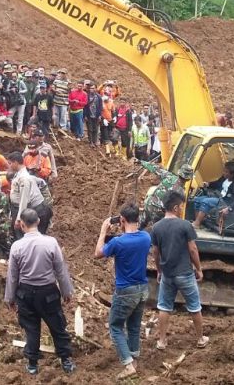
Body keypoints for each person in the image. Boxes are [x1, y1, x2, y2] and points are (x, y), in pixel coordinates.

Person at [4, 209, 76, 376]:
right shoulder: (51, 242)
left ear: (22, 225)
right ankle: (66, 360)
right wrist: (67, 291)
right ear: (37, 222)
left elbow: (12, 276)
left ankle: (32, 364)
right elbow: (61, 270)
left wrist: (10, 297)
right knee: (57, 327)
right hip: (48, 293)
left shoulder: (17, 246)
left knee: (31, 329)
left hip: (25, 293)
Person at [94, 204, 151, 379]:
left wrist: (104, 231)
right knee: (133, 326)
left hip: (125, 291)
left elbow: (98, 253)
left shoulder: (118, 242)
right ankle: (134, 359)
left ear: (122, 220)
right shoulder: (146, 237)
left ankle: (127, 365)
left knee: (115, 326)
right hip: (143, 289)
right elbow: (134, 235)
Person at [152, 190, 209, 351]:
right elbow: (193, 249)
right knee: (194, 306)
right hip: (185, 273)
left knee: (164, 306)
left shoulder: (156, 227)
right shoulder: (185, 225)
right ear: (176, 207)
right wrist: (198, 268)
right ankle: (200, 338)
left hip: (167, 274)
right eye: (182, 206)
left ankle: (162, 341)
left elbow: (155, 252)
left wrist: (159, 270)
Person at [192, 161, 234, 229]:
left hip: (225, 201)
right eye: (224, 171)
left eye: (226, 172)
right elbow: (217, 183)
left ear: (232, 174)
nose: (224, 173)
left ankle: (197, 223)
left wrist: (229, 208)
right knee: (197, 199)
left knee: (206, 201)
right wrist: (208, 184)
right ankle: (200, 221)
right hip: (217, 196)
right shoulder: (224, 178)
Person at [139, 160, 194, 226]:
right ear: (188, 179)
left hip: (149, 203)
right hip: (158, 212)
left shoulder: (169, 176)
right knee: (156, 231)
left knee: (140, 225)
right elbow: (175, 210)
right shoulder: (181, 192)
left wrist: (142, 162)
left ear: (179, 173)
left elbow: (155, 168)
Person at [8, 151, 49, 236]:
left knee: (27, 235)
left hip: (32, 209)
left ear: (15, 162)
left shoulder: (24, 178)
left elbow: (24, 199)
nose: (9, 165)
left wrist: (19, 219)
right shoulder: (20, 175)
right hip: (25, 208)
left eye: (10, 163)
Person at [83, 82, 102, 147]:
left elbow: (100, 106)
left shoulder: (99, 97)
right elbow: (85, 106)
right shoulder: (87, 96)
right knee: (90, 129)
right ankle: (91, 141)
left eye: (93, 88)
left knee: (96, 129)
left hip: (96, 115)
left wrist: (99, 115)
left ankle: (95, 141)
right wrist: (85, 115)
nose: (92, 89)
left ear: (96, 89)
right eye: (91, 88)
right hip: (89, 115)